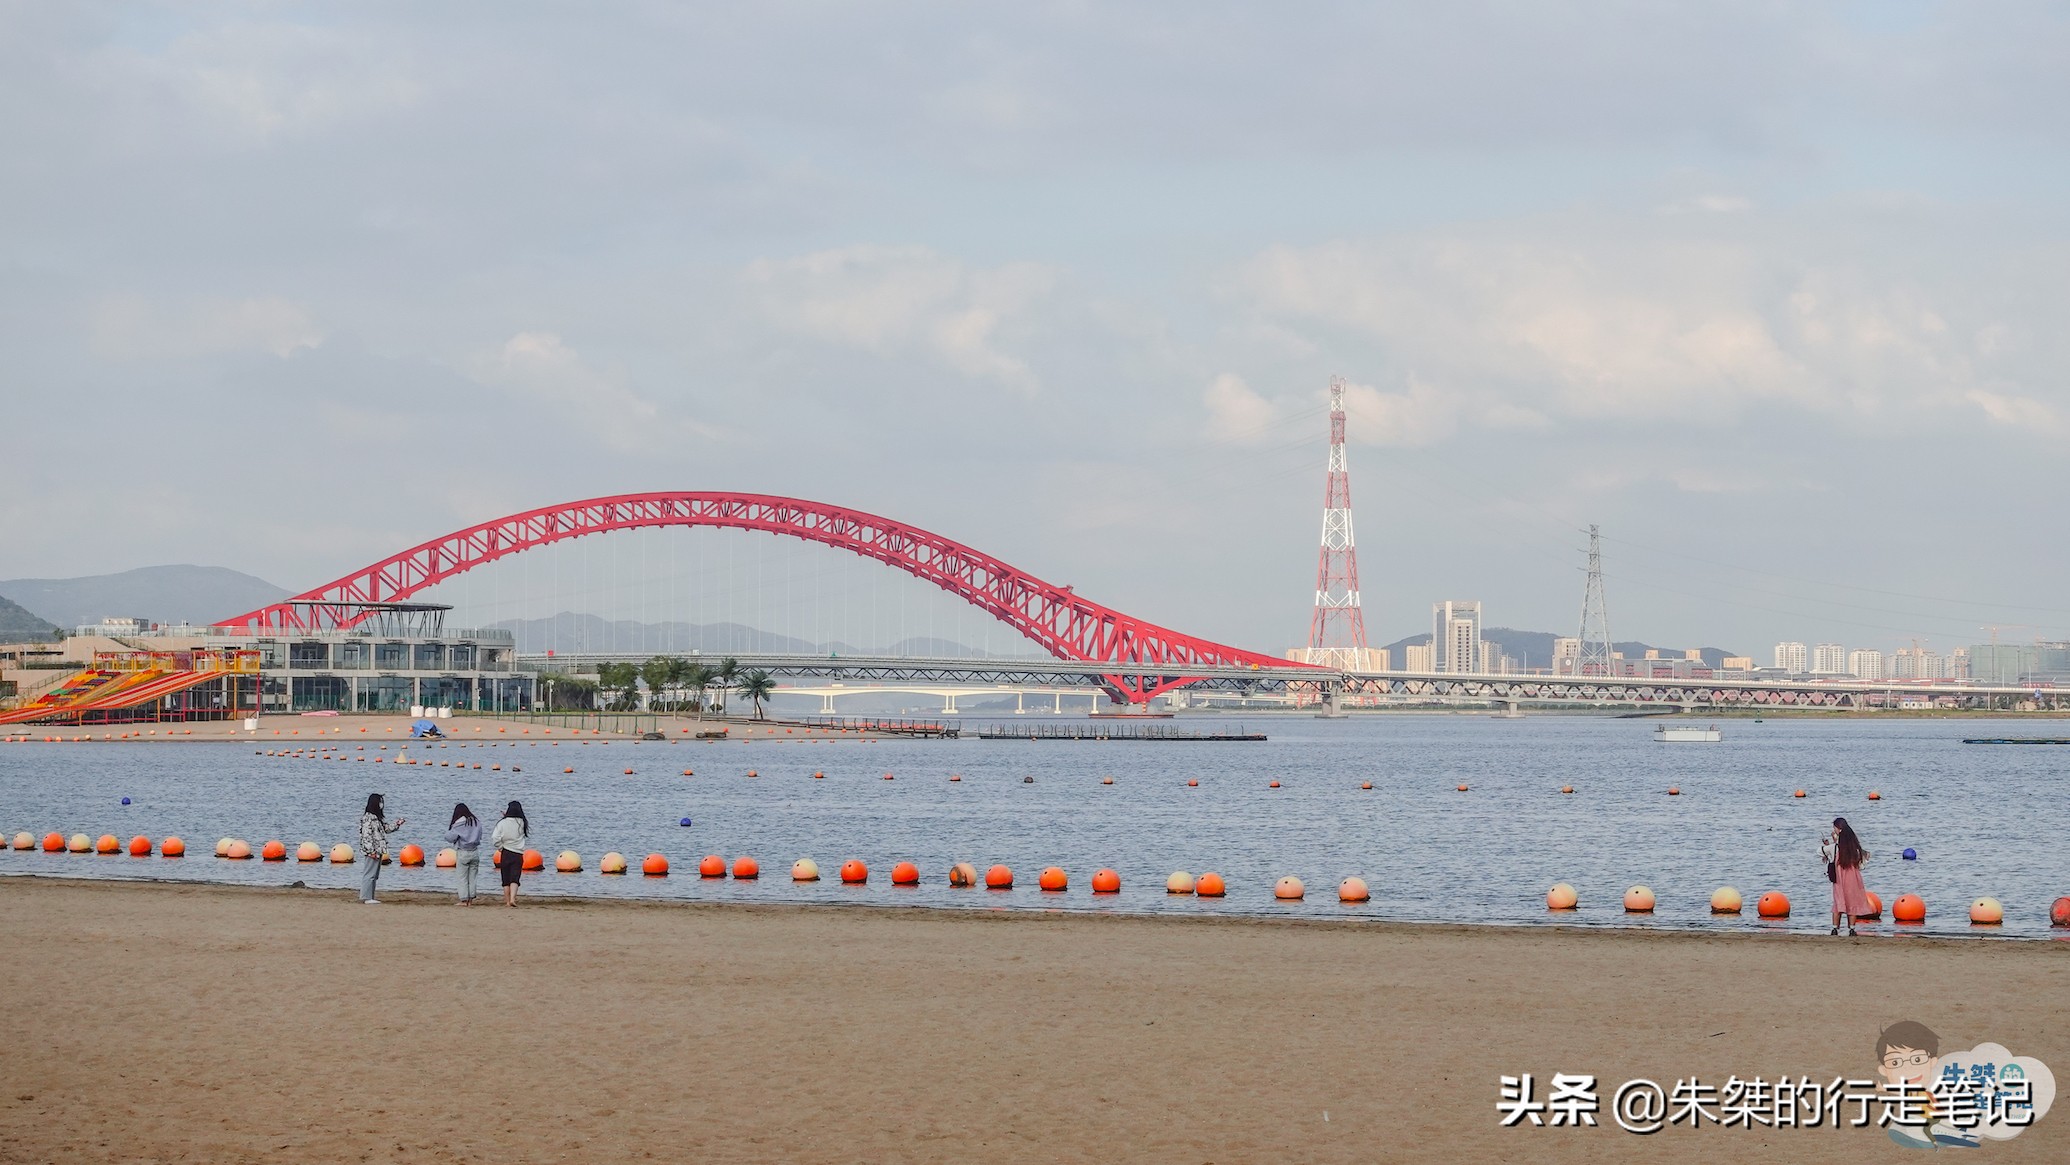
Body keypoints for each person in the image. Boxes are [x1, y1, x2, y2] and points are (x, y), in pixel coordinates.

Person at [1822, 816, 1874, 936]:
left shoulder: (1835, 847)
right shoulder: (1854, 848)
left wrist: (1830, 844)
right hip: (1854, 879)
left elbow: (1820, 851)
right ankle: (1852, 929)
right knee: (1852, 903)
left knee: (1838, 902)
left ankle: (1835, 928)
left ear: (1839, 829)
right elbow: (1863, 861)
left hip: (1839, 879)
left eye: (1834, 828)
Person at [356, 793, 406, 905]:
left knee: (374, 874)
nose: (381, 805)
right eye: (379, 802)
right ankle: (366, 897)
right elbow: (366, 836)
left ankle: (370, 896)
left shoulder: (376, 819)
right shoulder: (368, 818)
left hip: (378, 850)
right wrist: (371, 851)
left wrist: (397, 824)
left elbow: (385, 829)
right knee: (369, 874)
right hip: (373, 851)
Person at [489, 800, 529, 907]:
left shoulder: (502, 823)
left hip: (506, 852)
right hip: (518, 853)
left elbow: (495, 838)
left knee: (505, 878)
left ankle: (507, 901)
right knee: (515, 878)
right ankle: (512, 899)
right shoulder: (522, 822)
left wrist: (500, 847)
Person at [443, 803, 482, 906]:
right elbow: (480, 835)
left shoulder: (459, 824)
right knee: (472, 877)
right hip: (475, 851)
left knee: (462, 877)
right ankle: (471, 899)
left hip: (463, 852)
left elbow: (450, 837)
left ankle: (464, 900)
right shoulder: (476, 822)